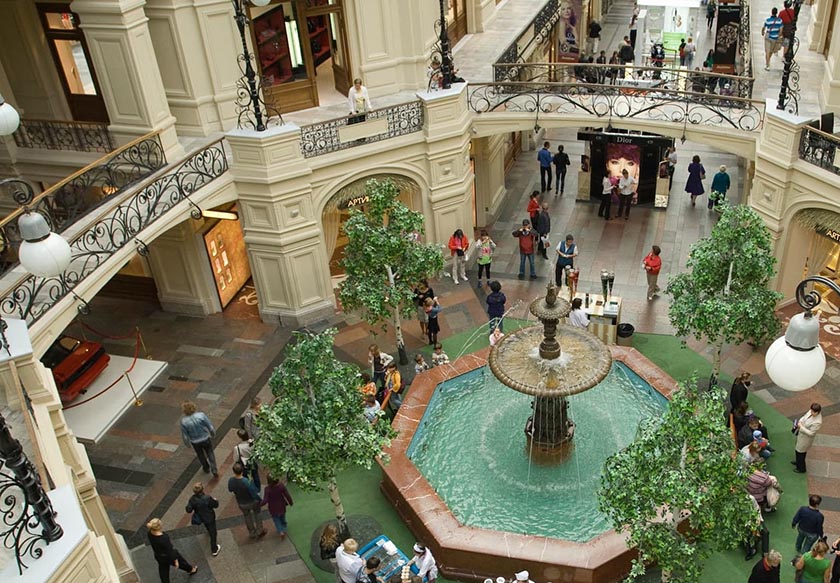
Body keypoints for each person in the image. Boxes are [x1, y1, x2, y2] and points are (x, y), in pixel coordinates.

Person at [147, 518, 198, 582]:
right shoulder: (164, 538)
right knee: (182, 563)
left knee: (163, 571)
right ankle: (191, 570)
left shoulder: (150, 533)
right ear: (159, 527)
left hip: (159, 555)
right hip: (168, 556)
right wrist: (175, 560)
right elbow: (170, 550)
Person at [228, 461, 266, 539]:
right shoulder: (247, 482)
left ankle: (252, 532)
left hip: (241, 502)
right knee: (257, 513)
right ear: (242, 471)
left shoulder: (231, 481)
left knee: (247, 516)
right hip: (252, 501)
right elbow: (254, 493)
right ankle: (259, 530)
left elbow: (230, 489)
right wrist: (259, 499)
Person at [180, 401, 218, 477]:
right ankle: (214, 469)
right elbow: (209, 426)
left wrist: (187, 444)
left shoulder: (183, 421)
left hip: (195, 441)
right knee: (210, 452)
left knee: (200, 454)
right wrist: (213, 434)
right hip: (205, 438)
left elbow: (185, 435)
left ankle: (206, 467)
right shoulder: (201, 415)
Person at [185, 482, 221, 556]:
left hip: (201, 517)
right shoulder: (207, 498)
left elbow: (188, 510)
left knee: (207, 526)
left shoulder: (192, 499)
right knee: (213, 533)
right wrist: (215, 500)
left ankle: (208, 530)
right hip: (209, 517)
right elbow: (215, 505)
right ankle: (214, 549)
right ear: (202, 489)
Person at [793, 403, 823, 473]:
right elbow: (804, 417)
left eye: (814, 412)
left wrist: (801, 427)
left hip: (806, 439)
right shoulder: (811, 411)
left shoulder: (817, 422)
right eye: (811, 411)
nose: (811, 413)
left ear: (818, 412)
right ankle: (798, 462)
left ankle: (801, 468)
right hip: (801, 435)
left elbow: (811, 433)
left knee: (800, 452)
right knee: (798, 450)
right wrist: (800, 421)